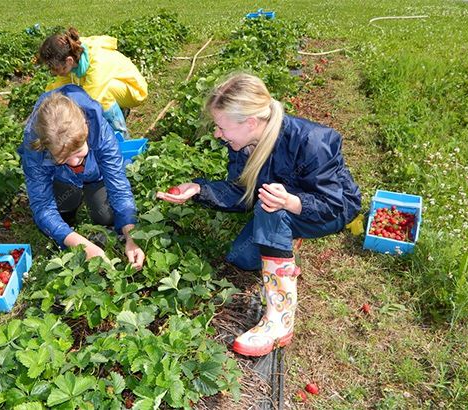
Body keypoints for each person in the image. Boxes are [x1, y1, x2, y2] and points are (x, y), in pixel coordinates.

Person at [156, 73, 361, 357]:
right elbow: (242, 194)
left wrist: (292, 202)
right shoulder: (243, 144)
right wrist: (199, 189)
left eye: (220, 127)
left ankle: (280, 321)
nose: (217, 134)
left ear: (250, 122)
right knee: (242, 257)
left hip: (326, 209)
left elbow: (338, 205)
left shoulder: (311, 141)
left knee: (270, 210)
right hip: (284, 206)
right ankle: (285, 237)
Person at [18, 84, 145, 269]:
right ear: (45, 147)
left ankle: (91, 209)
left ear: (86, 129)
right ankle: (67, 219)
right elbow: (43, 206)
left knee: (105, 215)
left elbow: (118, 186)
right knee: (60, 209)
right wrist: (80, 244)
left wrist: (131, 236)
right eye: (62, 158)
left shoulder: (99, 129)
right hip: (62, 179)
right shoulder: (35, 148)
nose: (74, 162)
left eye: (79, 152)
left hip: (96, 176)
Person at [39, 27, 148, 139]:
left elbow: (92, 99)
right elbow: (59, 86)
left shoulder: (97, 61)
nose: (54, 72)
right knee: (73, 93)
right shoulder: (73, 55)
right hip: (113, 86)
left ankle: (122, 137)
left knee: (102, 97)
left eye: (56, 69)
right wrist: (44, 103)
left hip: (133, 88)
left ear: (69, 61)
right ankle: (117, 113)